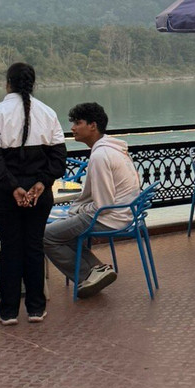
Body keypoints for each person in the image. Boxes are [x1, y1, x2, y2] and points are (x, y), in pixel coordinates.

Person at [0, 62, 67, 325]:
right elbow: (59, 160)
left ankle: (8, 311)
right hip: (39, 194)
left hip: (6, 195)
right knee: (34, 247)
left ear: (7, 83)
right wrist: (41, 183)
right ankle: (36, 308)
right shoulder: (49, 113)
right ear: (33, 84)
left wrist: (14, 188)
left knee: (10, 249)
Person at [44, 102, 141, 298]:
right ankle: (97, 269)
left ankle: (85, 276)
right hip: (125, 213)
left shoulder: (101, 156)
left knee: (45, 236)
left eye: (78, 123)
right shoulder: (113, 148)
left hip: (110, 217)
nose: (73, 128)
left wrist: (79, 210)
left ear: (93, 126)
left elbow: (103, 205)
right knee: (63, 231)